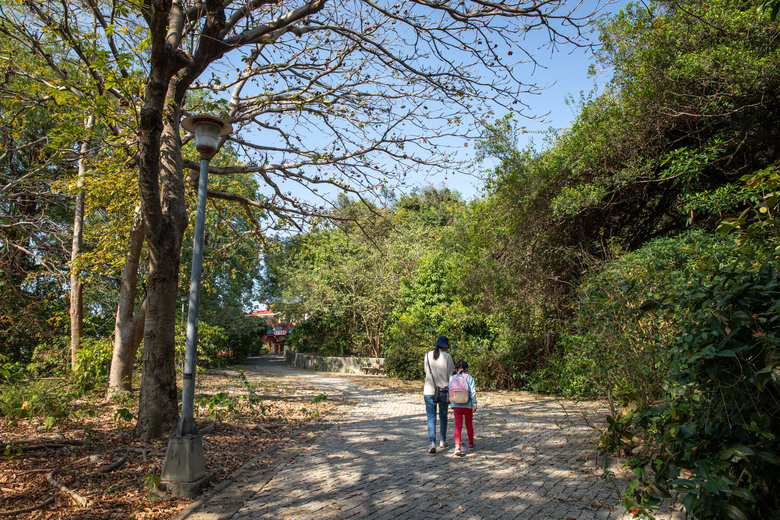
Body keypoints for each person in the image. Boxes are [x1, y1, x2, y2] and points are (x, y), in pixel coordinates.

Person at [424, 335, 455, 454]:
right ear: (445, 346)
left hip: (428, 390)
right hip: (443, 390)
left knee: (431, 417)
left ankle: (432, 442)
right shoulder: (447, 357)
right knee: (443, 415)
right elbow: (451, 375)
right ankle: (443, 440)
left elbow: (426, 371)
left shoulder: (427, 355)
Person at [449, 359, 477, 456]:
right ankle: (470, 444)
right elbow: (472, 391)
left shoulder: (452, 378)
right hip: (467, 404)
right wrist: (474, 403)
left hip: (456, 404)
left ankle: (457, 446)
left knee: (458, 426)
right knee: (469, 425)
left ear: (456, 368)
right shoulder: (469, 377)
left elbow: (450, 390)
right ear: (466, 369)